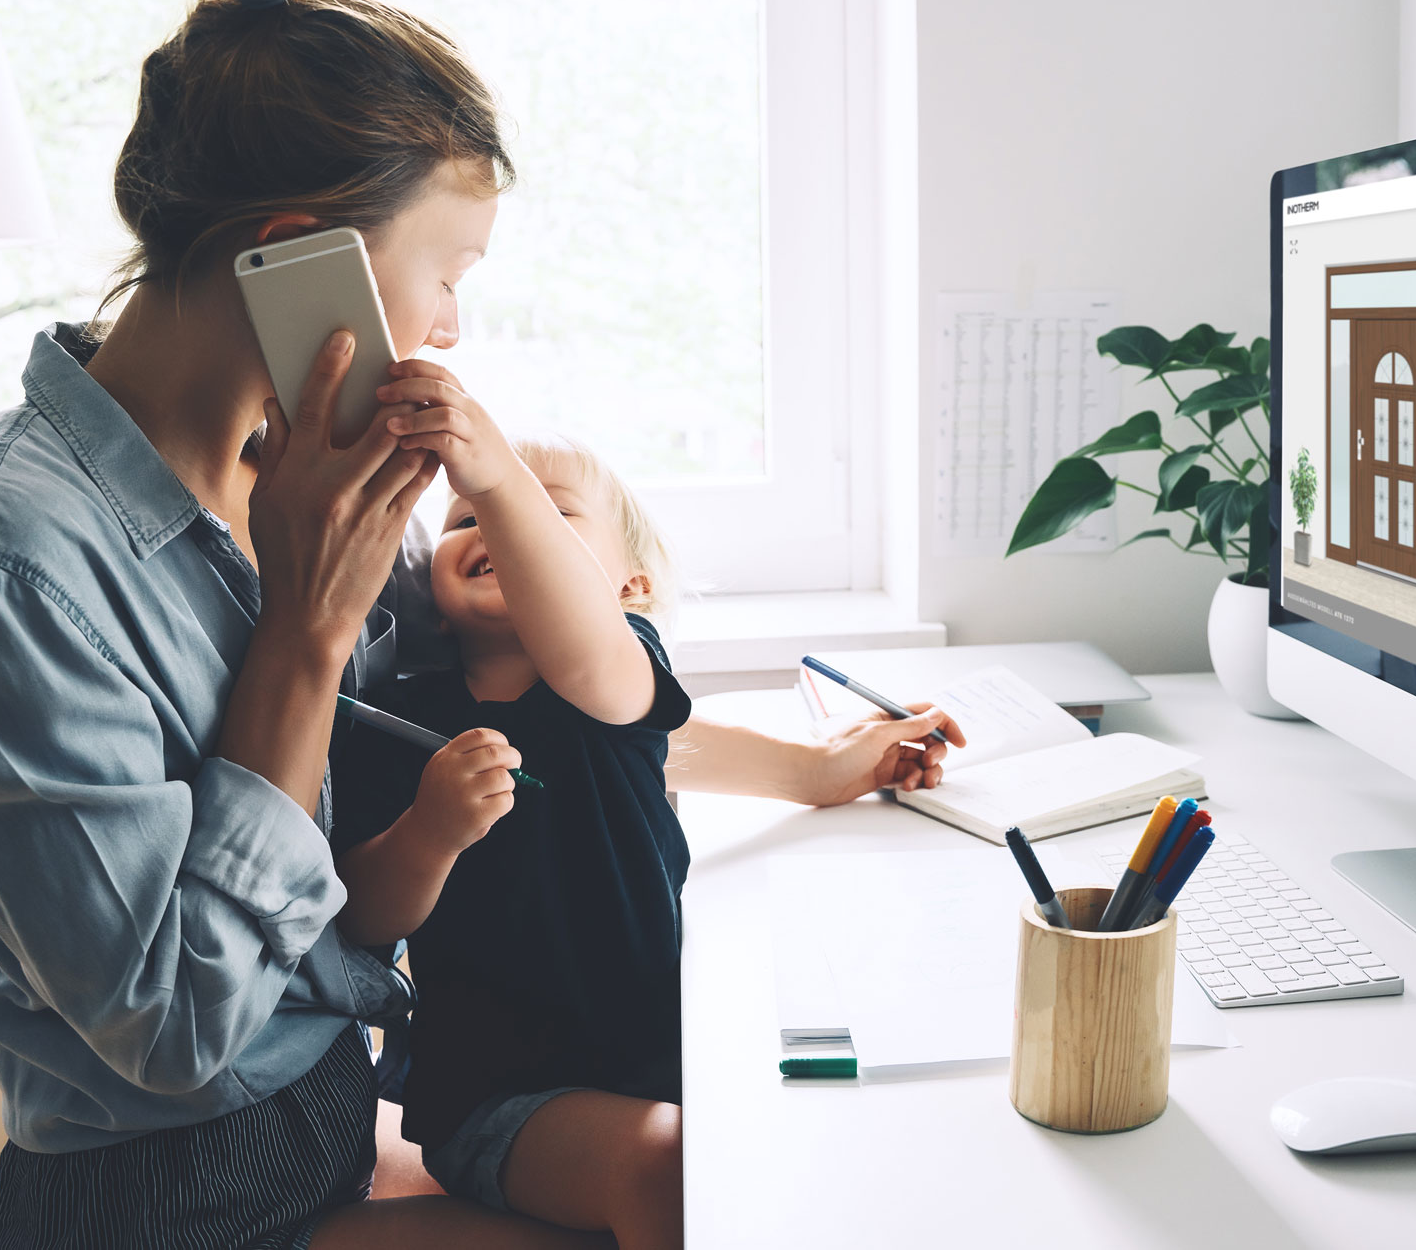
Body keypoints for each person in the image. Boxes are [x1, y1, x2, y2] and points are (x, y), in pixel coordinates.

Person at [0, 0, 603, 1248]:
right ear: (294, 253)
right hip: (175, 1193)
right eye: (446, 275)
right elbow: (173, 1026)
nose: (446, 327)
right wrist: (305, 631)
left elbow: (558, 674)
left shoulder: (301, 469)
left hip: (337, 1114)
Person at [329, 424, 963, 1250]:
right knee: (671, 1169)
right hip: (501, 1099)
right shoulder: (405, 720)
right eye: (465, 518)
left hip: (665, 1052)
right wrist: (430, 833)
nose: (491, 522)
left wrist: (822, 771)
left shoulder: (620, 667)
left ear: (624, 591)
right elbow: (369, 918)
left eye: (541, 515)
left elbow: (622, 696)